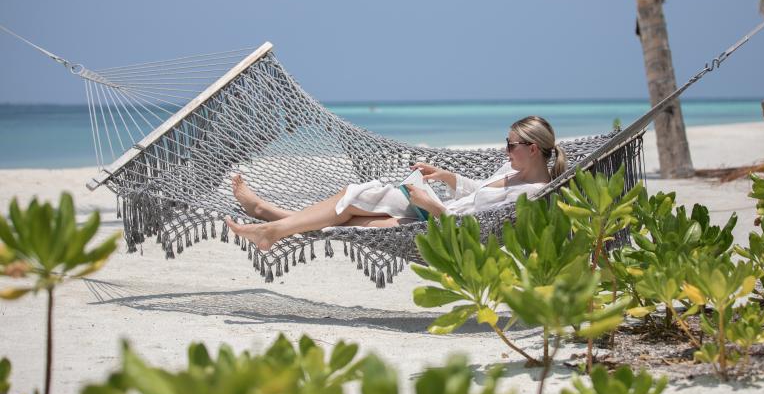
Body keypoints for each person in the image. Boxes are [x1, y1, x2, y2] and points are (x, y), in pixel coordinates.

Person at [225, 116, 566, 251]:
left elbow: (481, 227)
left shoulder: (532, 195)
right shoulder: (511, 170)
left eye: (511, 144)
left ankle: (269, 217)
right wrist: (446, 176)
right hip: (437, 210)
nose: (505, 150)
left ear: (532, 149)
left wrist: (432, 206)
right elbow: (480, 192)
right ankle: (270, 220)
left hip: (444, 224)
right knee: (354, 201)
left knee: (358, 219)